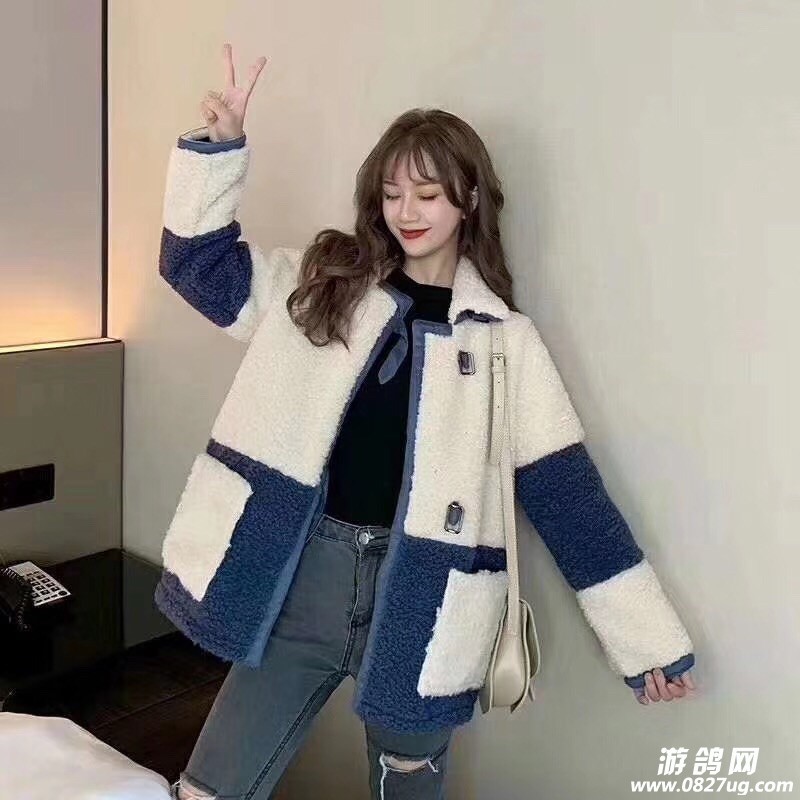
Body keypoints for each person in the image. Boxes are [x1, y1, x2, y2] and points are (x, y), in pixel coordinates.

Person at [158, 43, 697, 800]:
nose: (406, 212)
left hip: (421, 602)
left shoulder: (505, 344)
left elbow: (570, 501)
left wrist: (648, 648)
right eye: (391, 194)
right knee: (207, 788)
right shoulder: (323, 285)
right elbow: (197, 267)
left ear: (467, 199)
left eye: (428, 194)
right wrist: (218, 151)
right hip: (302, 577)